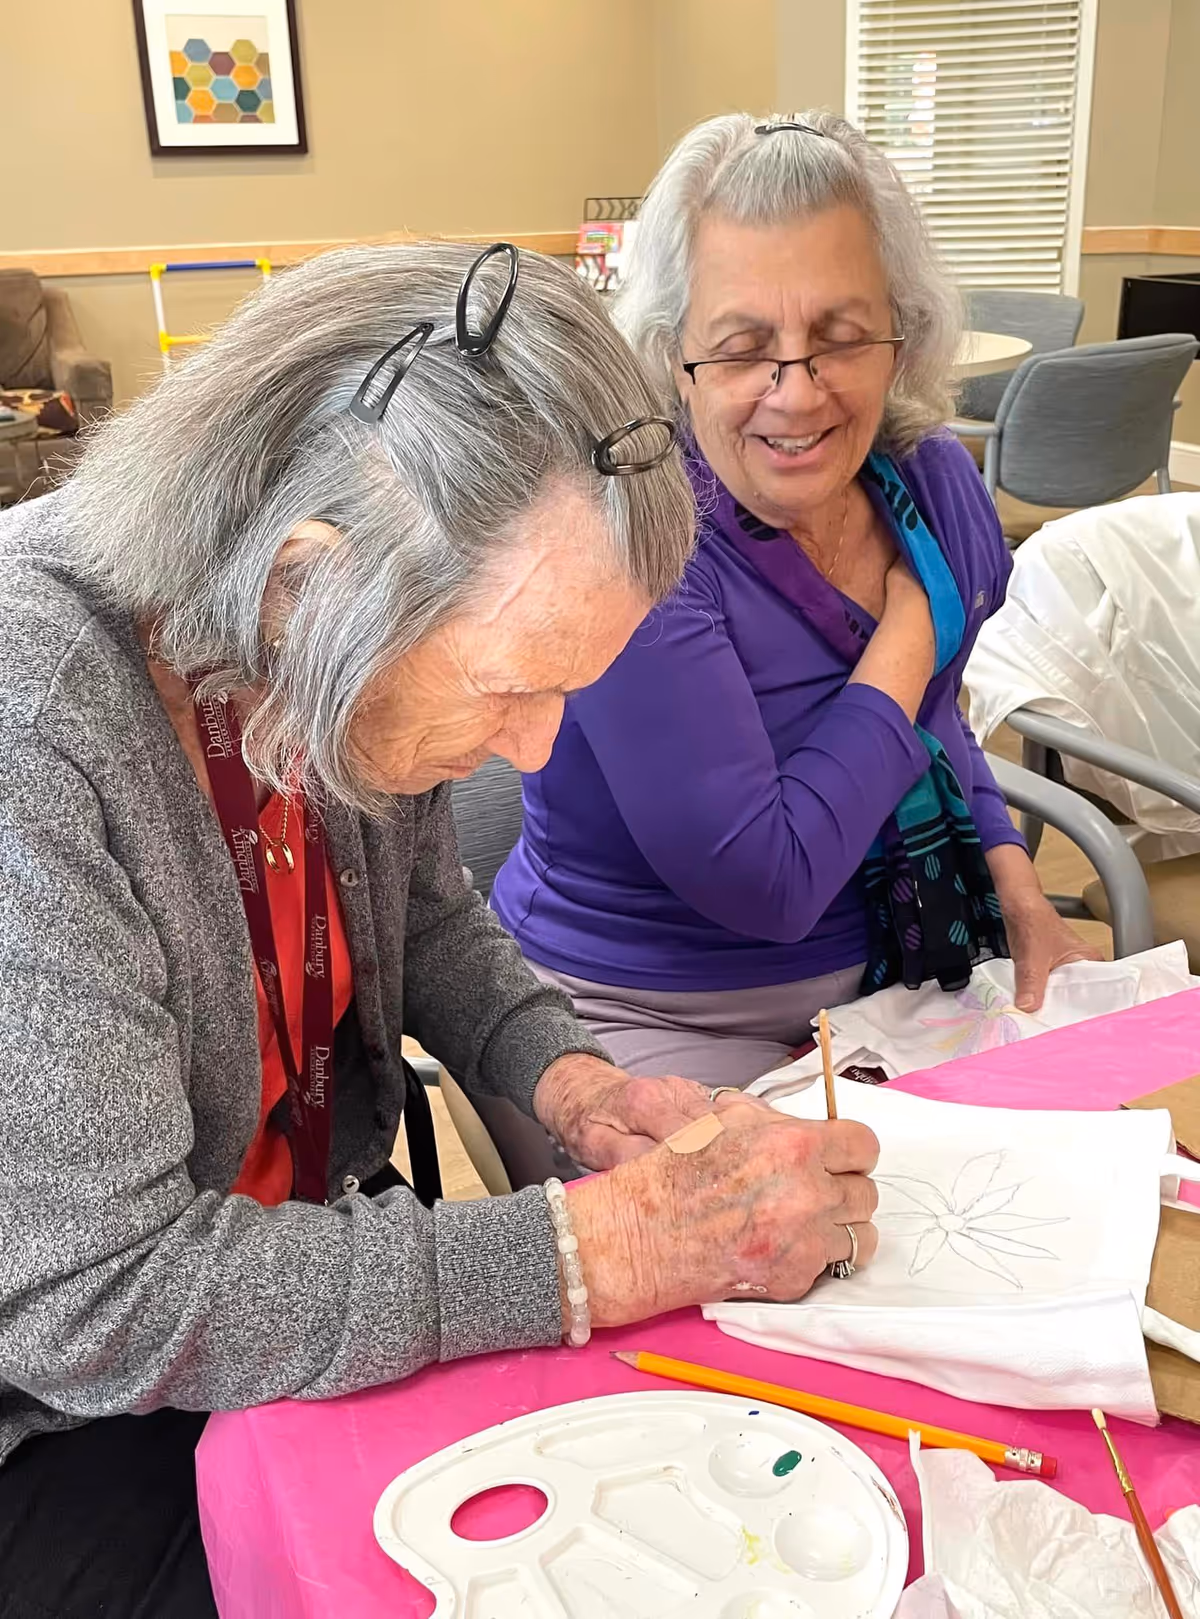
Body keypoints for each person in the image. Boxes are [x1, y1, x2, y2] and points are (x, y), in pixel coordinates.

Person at [0, 242, 880, 1619]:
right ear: (303, 582)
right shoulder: (33, 723)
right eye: (510, 688)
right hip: (68, 1415)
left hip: (290, 1261)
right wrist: (606, 1247)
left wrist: (575, 1084)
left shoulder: (284, 642)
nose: (532, 754)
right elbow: (103, 1298)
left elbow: (428, 915)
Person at [491, 112, 1098, 1109]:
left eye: (840, 337)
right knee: (820, 1257)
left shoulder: (931, 483)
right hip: (643, 1016)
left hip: (893, 983)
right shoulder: (636, 541)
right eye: (741, 347)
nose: (796, 393)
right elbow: (766, 883)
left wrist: (1022, 894)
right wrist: (915, 625)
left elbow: (932, 722)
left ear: (901, 338)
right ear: (668, 350)